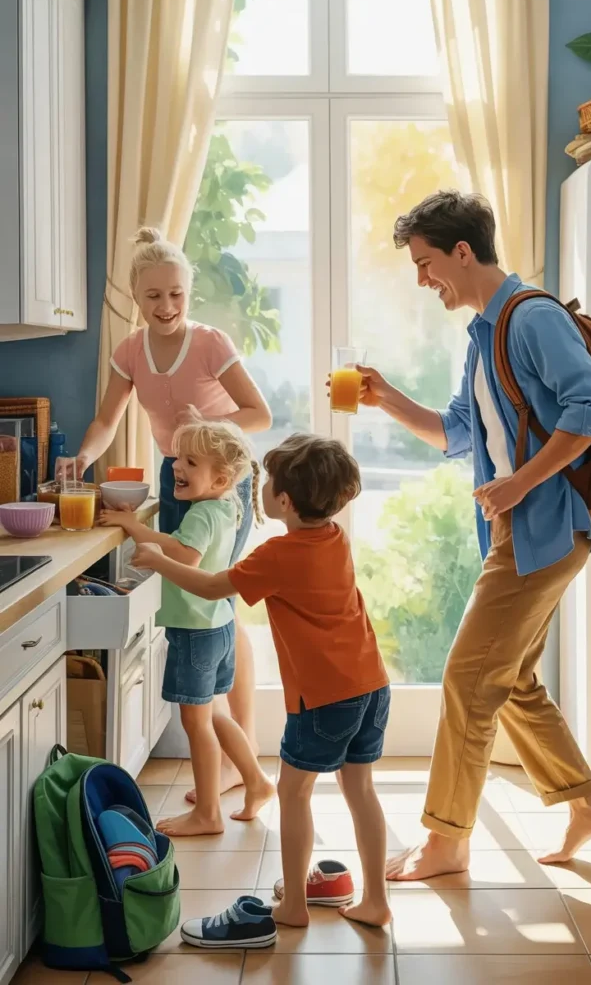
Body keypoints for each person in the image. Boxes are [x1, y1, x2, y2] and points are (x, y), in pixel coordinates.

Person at [354, 190, 591, 882]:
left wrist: (522, 482)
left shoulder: (528, 317)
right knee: (509, 679)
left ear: (462, 252)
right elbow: (454, 433)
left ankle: (444, 839)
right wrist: (384, 397)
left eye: (425, 264)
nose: (421, 280)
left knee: (468, 677)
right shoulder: (485, 334)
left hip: (545, 522)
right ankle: (586, 804)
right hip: (518, 524)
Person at [130, 433, 392, 930]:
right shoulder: (335, 537)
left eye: (269, 482)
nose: (263, 488)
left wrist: (159, 558)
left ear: (285, 502)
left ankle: (293, 904)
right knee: (362, 793)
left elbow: (211, 586)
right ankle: (375, 900)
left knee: (294, 794)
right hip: (370, 684)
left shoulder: (277, 555)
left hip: (323, 698)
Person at [64, 227, 271, 803]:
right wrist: (85, 456)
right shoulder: (130, 351)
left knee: (217, 595)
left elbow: (258, 413)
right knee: (203, 596)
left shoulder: (209, 343)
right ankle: (237, 761)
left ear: (189, 292)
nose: (167, 306)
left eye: (176, 294)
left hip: (224, 477)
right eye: (154, 296)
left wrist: (207, 434)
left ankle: (240, 758)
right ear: (135, 294)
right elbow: (107, 419)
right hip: (176, 473)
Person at [101, 419, 274, 834]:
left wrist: (140, 537)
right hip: (218, 626)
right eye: (178, 457)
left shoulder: (201, 514)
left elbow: (184, 554)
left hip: (195, 632)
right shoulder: (225, 504)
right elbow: (181, 543)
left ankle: (208, 814)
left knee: (196, 724)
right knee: (213, 716)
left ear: (220, 477)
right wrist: (135, 525)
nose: (177, 466)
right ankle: (257, 781)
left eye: (190, 461)